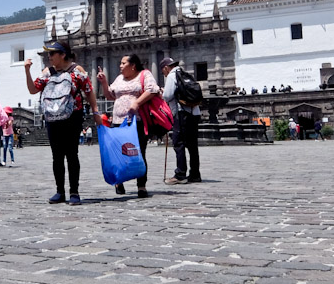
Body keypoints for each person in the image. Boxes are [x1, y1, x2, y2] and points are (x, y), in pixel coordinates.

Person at [25, 40, 101, 205]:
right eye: (48, 54)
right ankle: (60, 191)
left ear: (63, 54)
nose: (49, 57)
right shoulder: (47, 72)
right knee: (57, 156)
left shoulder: (77, 71)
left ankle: (74, 192)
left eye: (52, 54)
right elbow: (33, 89)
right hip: (52, 118)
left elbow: (89, 92)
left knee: (72, 154)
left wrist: (95, 112)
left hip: (73, 116)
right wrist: (27, 70)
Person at [97, 54, 159, 198]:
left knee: (138, 151)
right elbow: (110, 96)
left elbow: (153, 89)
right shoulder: (119, 79)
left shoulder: (144, 74)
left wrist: (137, 103)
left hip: (136, 120)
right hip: (118, 120)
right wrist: (104, 82)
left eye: (123, 63)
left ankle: (141, 185)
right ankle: (119, 182)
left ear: (133, 66)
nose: (120, 66)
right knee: (118, 152)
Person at [160, 57, 202, 185]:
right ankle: (195, 174)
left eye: (163, 71)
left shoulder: (173, 76)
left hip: (181, 113)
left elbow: (167, 96)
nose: (164, 74)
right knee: (192, 145)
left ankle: (180, 174)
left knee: (179, 143)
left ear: (166, 68)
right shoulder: (185, 74)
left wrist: (162, 92)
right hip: (194, 112)